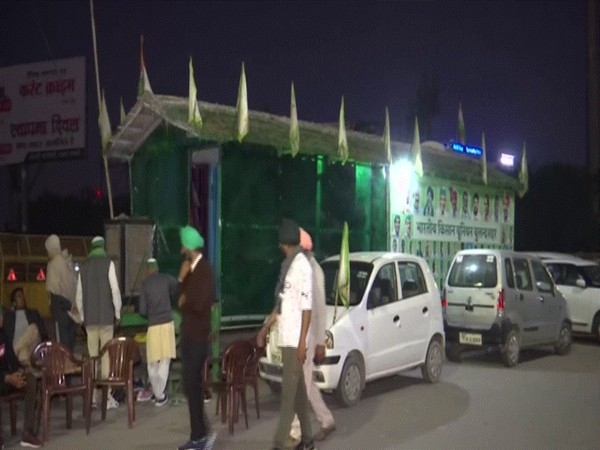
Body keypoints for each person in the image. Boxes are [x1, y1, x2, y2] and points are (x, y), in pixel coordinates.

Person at [257, 218, 313, 450]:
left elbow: (307, 309)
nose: (279, 245)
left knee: (288, 398)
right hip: (286, 338)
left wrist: (302, 344)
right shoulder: (288, 267)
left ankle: (278, 444)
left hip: (295, 341)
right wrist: (265, 327)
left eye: (281, 241)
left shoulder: (302, 267)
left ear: (285, 242)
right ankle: (308, 442)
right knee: (298, 395)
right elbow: (281, 304)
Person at [287, 228, 335, 447]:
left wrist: (319, 343)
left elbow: (320, 308)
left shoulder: (314, 271)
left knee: (301, 386)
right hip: (299, 336)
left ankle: (296, 432)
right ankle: (327, 420)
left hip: (308, 337)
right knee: (307, 384)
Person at [176, 225, 217, 450]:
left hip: (198, 336)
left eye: (183, 245)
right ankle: (200, 433)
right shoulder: (190, 270)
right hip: (190, 333)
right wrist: (181, 280)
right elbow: (179, 299)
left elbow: (199, 303)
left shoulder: (204, 270)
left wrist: (185, 298)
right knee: (191, 385)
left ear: (190, 246)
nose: (182, 249)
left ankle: (199, 436)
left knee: (192, 384)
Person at [75, 236, 122, 410]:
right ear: (102, 246)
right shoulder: (108, 263)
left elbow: (79, 295)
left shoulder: (84, 267)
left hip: (90, 321)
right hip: (106, 319)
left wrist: (82, 317)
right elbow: (115, 290)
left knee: (92, 357)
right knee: (106, 358)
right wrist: (117, 313)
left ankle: (93, 397)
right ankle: (107, 397)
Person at [0, 308, 43, 448]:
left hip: (8, 377)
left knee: (30, 379)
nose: (1, 319)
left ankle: (28, 432)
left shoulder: (3, 335)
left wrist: (19, 373)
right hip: (3, 379)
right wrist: (7, 378)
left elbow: (12, 359)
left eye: (1, 315)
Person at [137, 258, 177, 407]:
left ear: (148, 270)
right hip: (167, 323)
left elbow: (142, 310)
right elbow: (177, 289)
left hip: (153, 326)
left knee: (153, 361)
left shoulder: (145, 284)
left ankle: (157, 392)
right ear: (157, 269)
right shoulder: (167, 279)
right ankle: (159, 394)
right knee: (165, 359)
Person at [44, 234, 78, 353]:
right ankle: (70, 361)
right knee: (69, 335)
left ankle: (65, 365)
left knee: (60, 338)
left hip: (58, 303)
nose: (47, 252)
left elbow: (52, 288)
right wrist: (73, 303)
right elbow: (72, 284)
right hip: (69, 303)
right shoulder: (66, 261)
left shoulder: (53, 264)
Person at [3, 287, 49, 369]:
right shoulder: (8, 316)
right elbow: (4, 335)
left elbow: (43, 332)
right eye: (19, 296)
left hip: (33, 345)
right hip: (23, 349)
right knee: (23, 355)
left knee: (33, 327)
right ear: (14, 303)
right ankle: (30, 374)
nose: (23, 298)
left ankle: (13, 352)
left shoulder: (34, 313)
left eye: (23, 295)